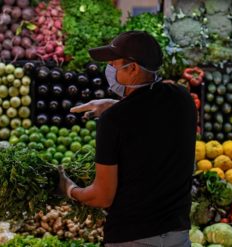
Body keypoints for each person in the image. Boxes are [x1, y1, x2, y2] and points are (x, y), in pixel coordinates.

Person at [58, 31, 196, 247]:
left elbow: (102, 196)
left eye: (113, 63)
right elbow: (150, 108)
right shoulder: (182, 98)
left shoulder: (113, 122)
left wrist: (69, 188)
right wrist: (114, 104)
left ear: (132, 68)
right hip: (178, 234)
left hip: (132, 237)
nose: (109, 69)